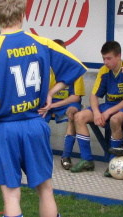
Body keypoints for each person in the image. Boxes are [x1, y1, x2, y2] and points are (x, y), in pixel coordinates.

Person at [0, 0, 86, 217]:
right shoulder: (41, 43)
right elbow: (76, 67)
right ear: (22, 15)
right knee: (45, 190)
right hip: (34, 124)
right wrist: (51, 92)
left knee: (11, 193)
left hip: (4, 127)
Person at [70, 41, 123, 177]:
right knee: (79, 117)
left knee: (115, 119)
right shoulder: (104, 71)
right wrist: (97, 113)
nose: (105, 62)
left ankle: (112, 163)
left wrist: (109, 112)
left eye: (109, 58)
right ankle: (87, 160)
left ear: (119, 56)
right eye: (103, 58)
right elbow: (94, 95)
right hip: (108, 105)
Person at [43, 39, 85, 170]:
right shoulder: (45, 69)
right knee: (36, 118)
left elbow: (75, 98)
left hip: (67, 104)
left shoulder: (74, 68)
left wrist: (53, 106)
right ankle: (40, 155)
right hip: (49, 103)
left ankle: (66, 156)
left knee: (73, 113)